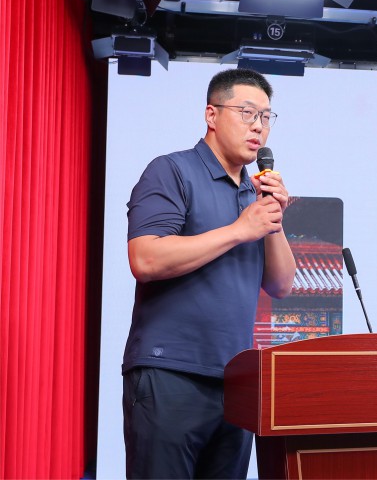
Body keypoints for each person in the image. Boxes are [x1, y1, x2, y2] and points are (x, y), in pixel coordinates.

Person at [121, 68, 296, 479]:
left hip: (236, 383)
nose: (258, 126)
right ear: (211, 115)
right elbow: (145, 259)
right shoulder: (171, 171)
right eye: (247, 112)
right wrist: (239, 230)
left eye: (266, 116)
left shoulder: (253, 193)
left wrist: (273, 218)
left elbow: (281, 284)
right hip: (170, 374)